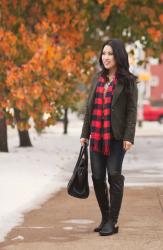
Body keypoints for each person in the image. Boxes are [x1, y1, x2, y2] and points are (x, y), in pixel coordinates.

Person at [80, 39, 138, 236]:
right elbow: (90, 108)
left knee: (114, 175)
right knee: (97, 178)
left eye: (110, 54)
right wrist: (84, 134)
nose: (106, 57)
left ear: (118, 56)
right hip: (96, 136)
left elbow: (131, 111)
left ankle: (112, 221)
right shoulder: (97, 78)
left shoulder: (128, 81)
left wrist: (129, 136)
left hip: (116, 137)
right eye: (104, 53)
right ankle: (105, 217)